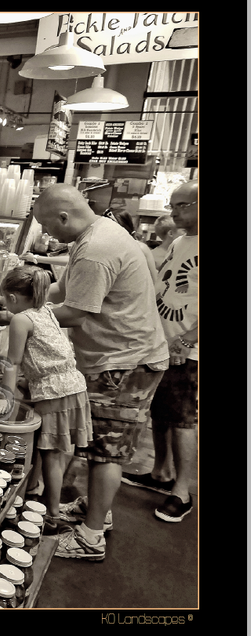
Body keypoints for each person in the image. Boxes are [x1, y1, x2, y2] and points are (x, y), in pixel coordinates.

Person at [0, 183, 168, 561]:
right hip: (116, 357)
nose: (46, 233)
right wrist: (17, 302)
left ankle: (91, 536)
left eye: (46, 225)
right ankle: (95, 509)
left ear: (64, 217)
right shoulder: (95, 235)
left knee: (106, 452)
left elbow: (76, 313)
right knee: (100, 445)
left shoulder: (96, 250)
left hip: (124, 363)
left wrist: (21, 317)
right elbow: (60, 291)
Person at [0, 266, 92, 532]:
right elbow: (44, 352)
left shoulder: (20, 319)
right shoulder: (45, 309)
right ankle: (37, 492)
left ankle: (52, 515)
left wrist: (6, 396)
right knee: (58, 450)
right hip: (74, 385)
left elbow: (13, 362)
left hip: (54, 391)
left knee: (52, 455)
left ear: (12, 298)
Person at [121, 181, 198, 523]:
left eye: (182, 205)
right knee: (162, 413)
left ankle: (182, 492)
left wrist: (188, 340)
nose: (174, 212)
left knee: (182, 419)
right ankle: (161, 472)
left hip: (187, 349)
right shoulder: (180, 242)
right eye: (173, 204)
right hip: (163, 342)